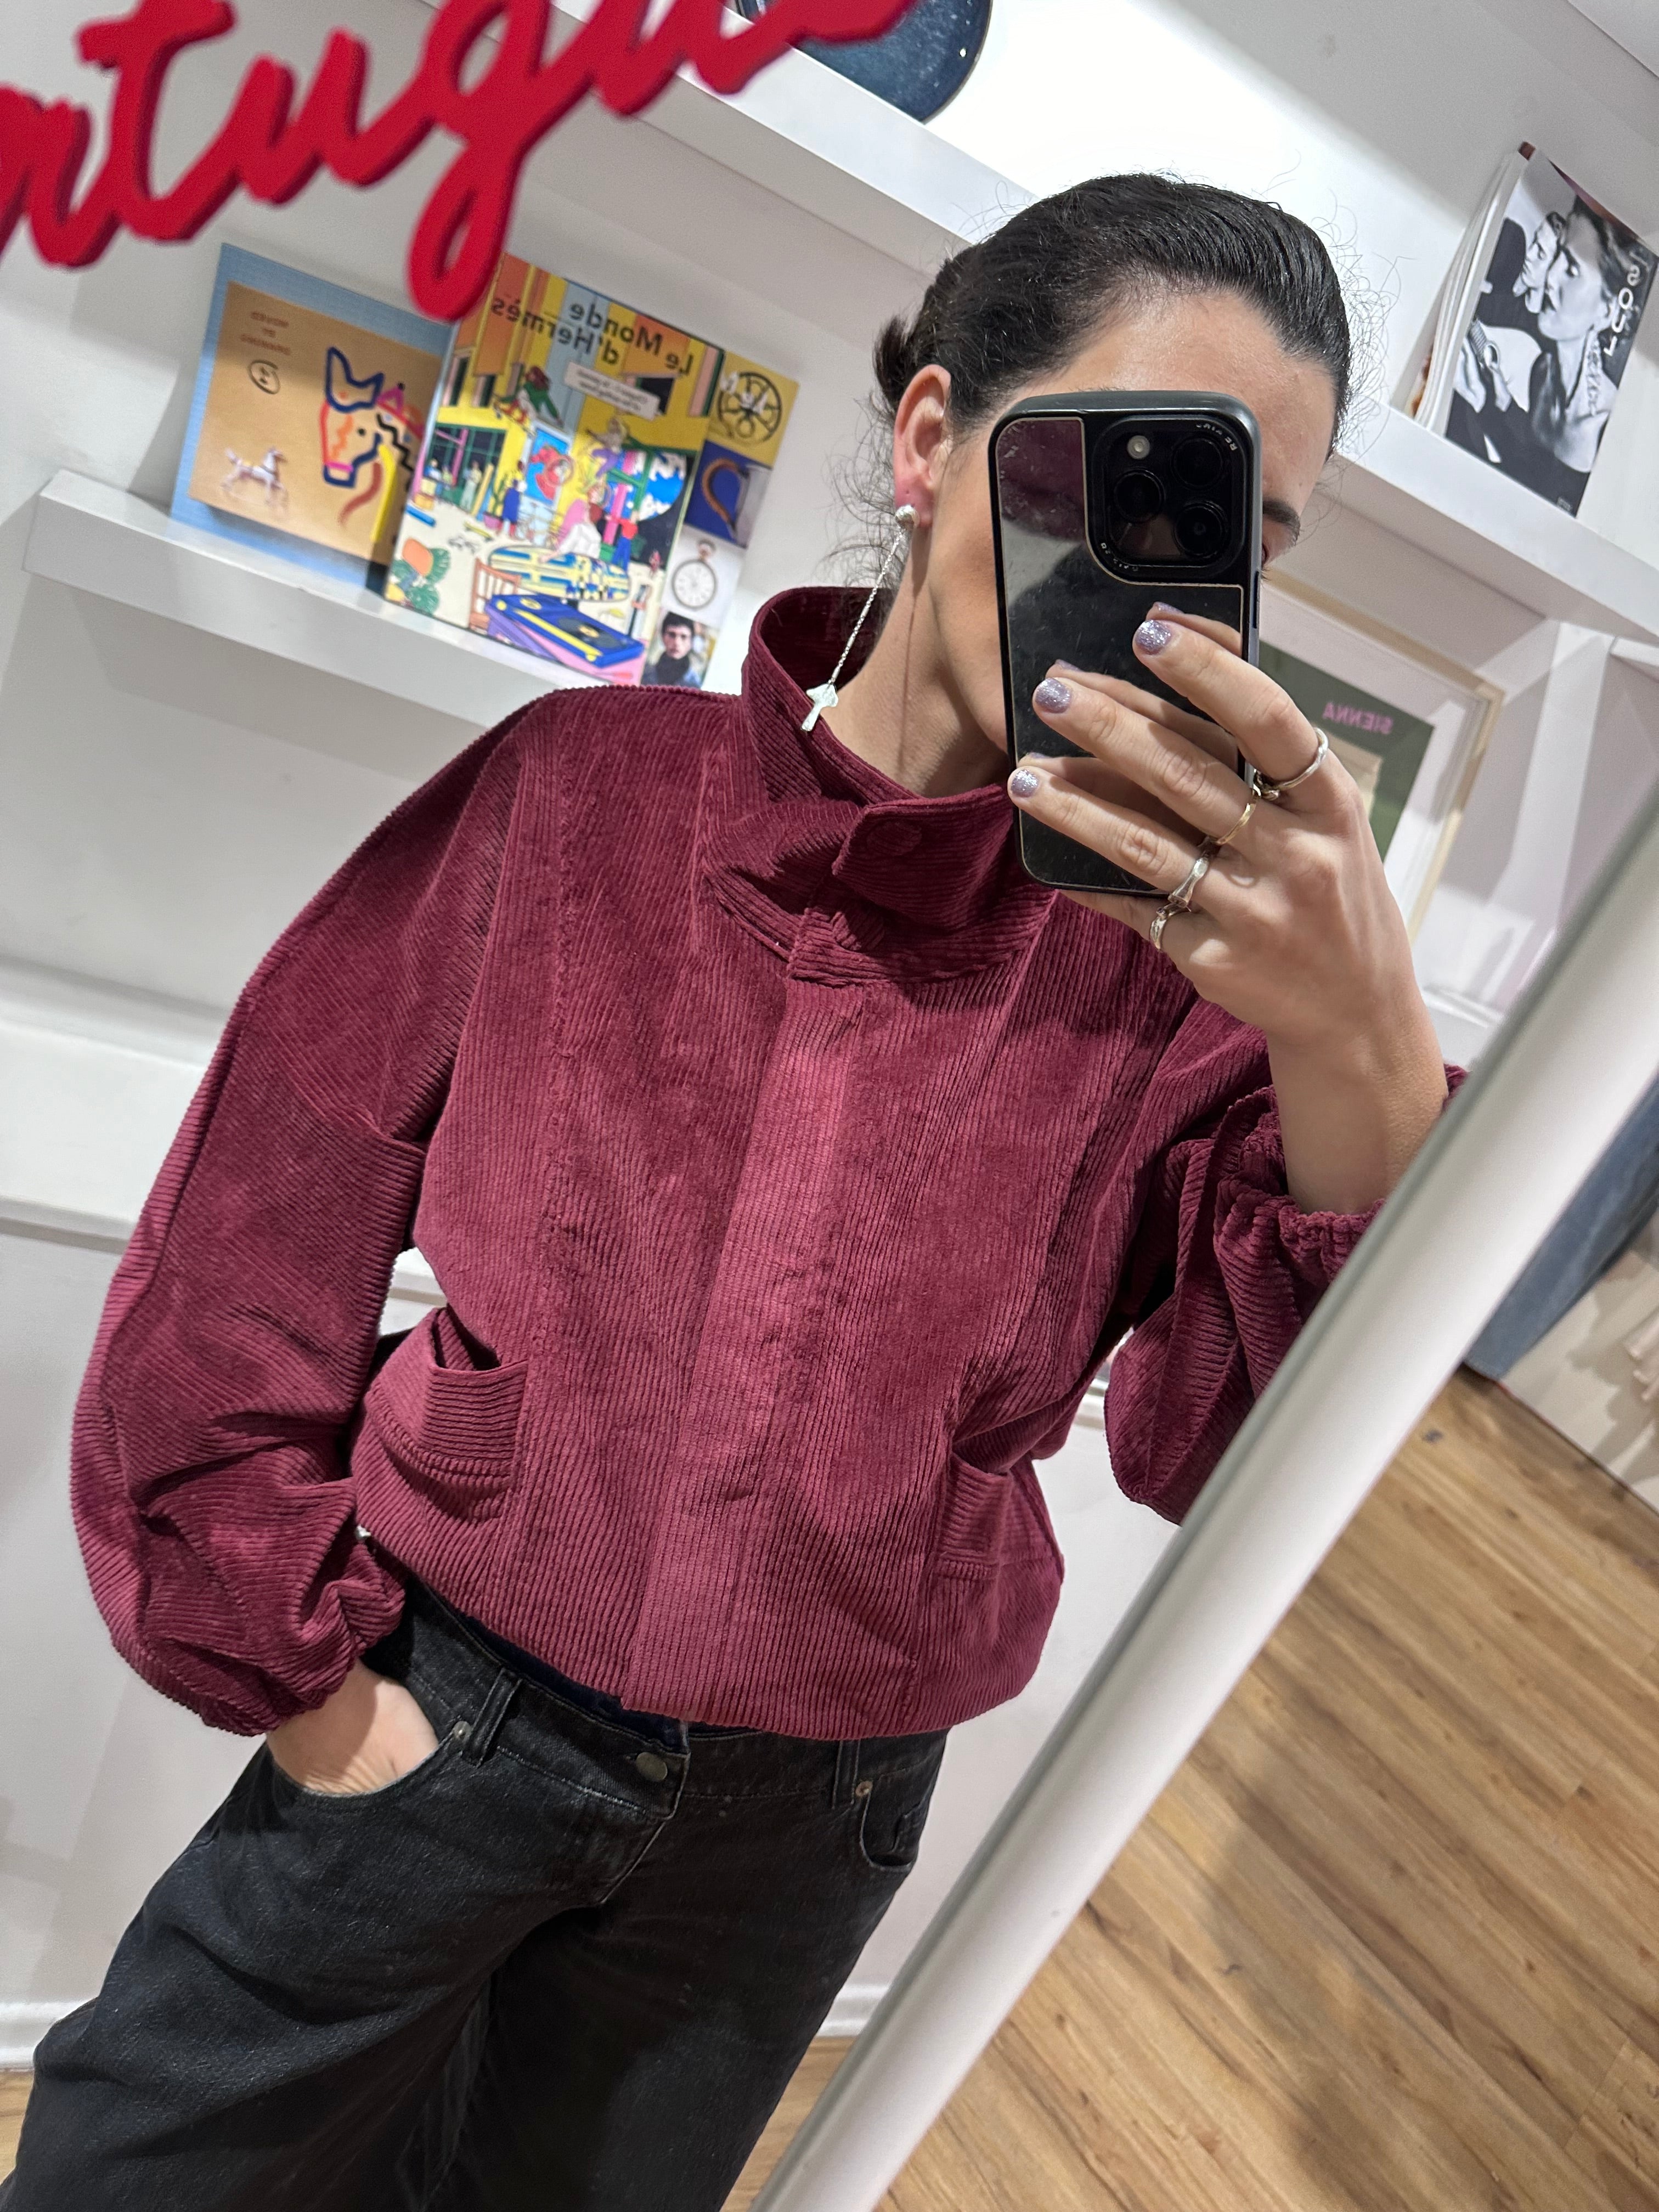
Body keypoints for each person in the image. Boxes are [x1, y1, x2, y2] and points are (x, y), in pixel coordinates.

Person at [6, 173, 1453, 2211]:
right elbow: (270, 1194)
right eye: (1120, 476)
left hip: (799, 1832)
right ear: (935, 438)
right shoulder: (585, 790)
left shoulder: (1184, 988)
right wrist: (309, 1671)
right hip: (439, 1711)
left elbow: (1223, 1456)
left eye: (1235, 536)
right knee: (125, 2172)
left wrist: (1362, 1044)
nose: (1156, 582)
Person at [1452, 201, 1630, 510]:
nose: (1551, 277)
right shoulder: (1542, 372)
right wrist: (1493, 404)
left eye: (1572, 269)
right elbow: (1526, 473)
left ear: (1606, 312)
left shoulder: (1608, 425)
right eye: (1557, 256)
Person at [643, 611, 699, 685]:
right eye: (672, 635)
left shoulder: (694, 685)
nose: (677, 643)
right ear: (663, 637)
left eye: (684, 637)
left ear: (691, 642)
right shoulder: (645, 674)